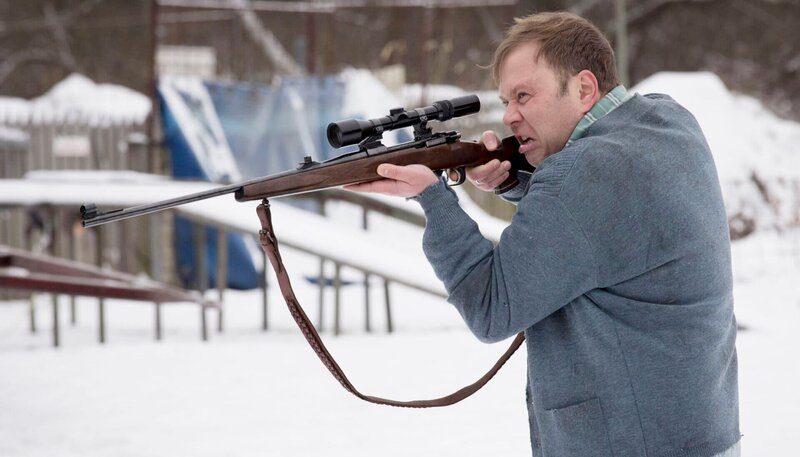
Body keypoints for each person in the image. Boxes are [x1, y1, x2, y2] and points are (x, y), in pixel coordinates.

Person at [345, 11, 740, 457]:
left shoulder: (579, 174)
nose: (510, 115)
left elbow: (492, 309)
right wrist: (517, 181)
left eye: (524, 96)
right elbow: (608, 225)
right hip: (701, 432)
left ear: (584, 89)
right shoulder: (667, 120)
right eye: (506, 100)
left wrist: (434, 200)